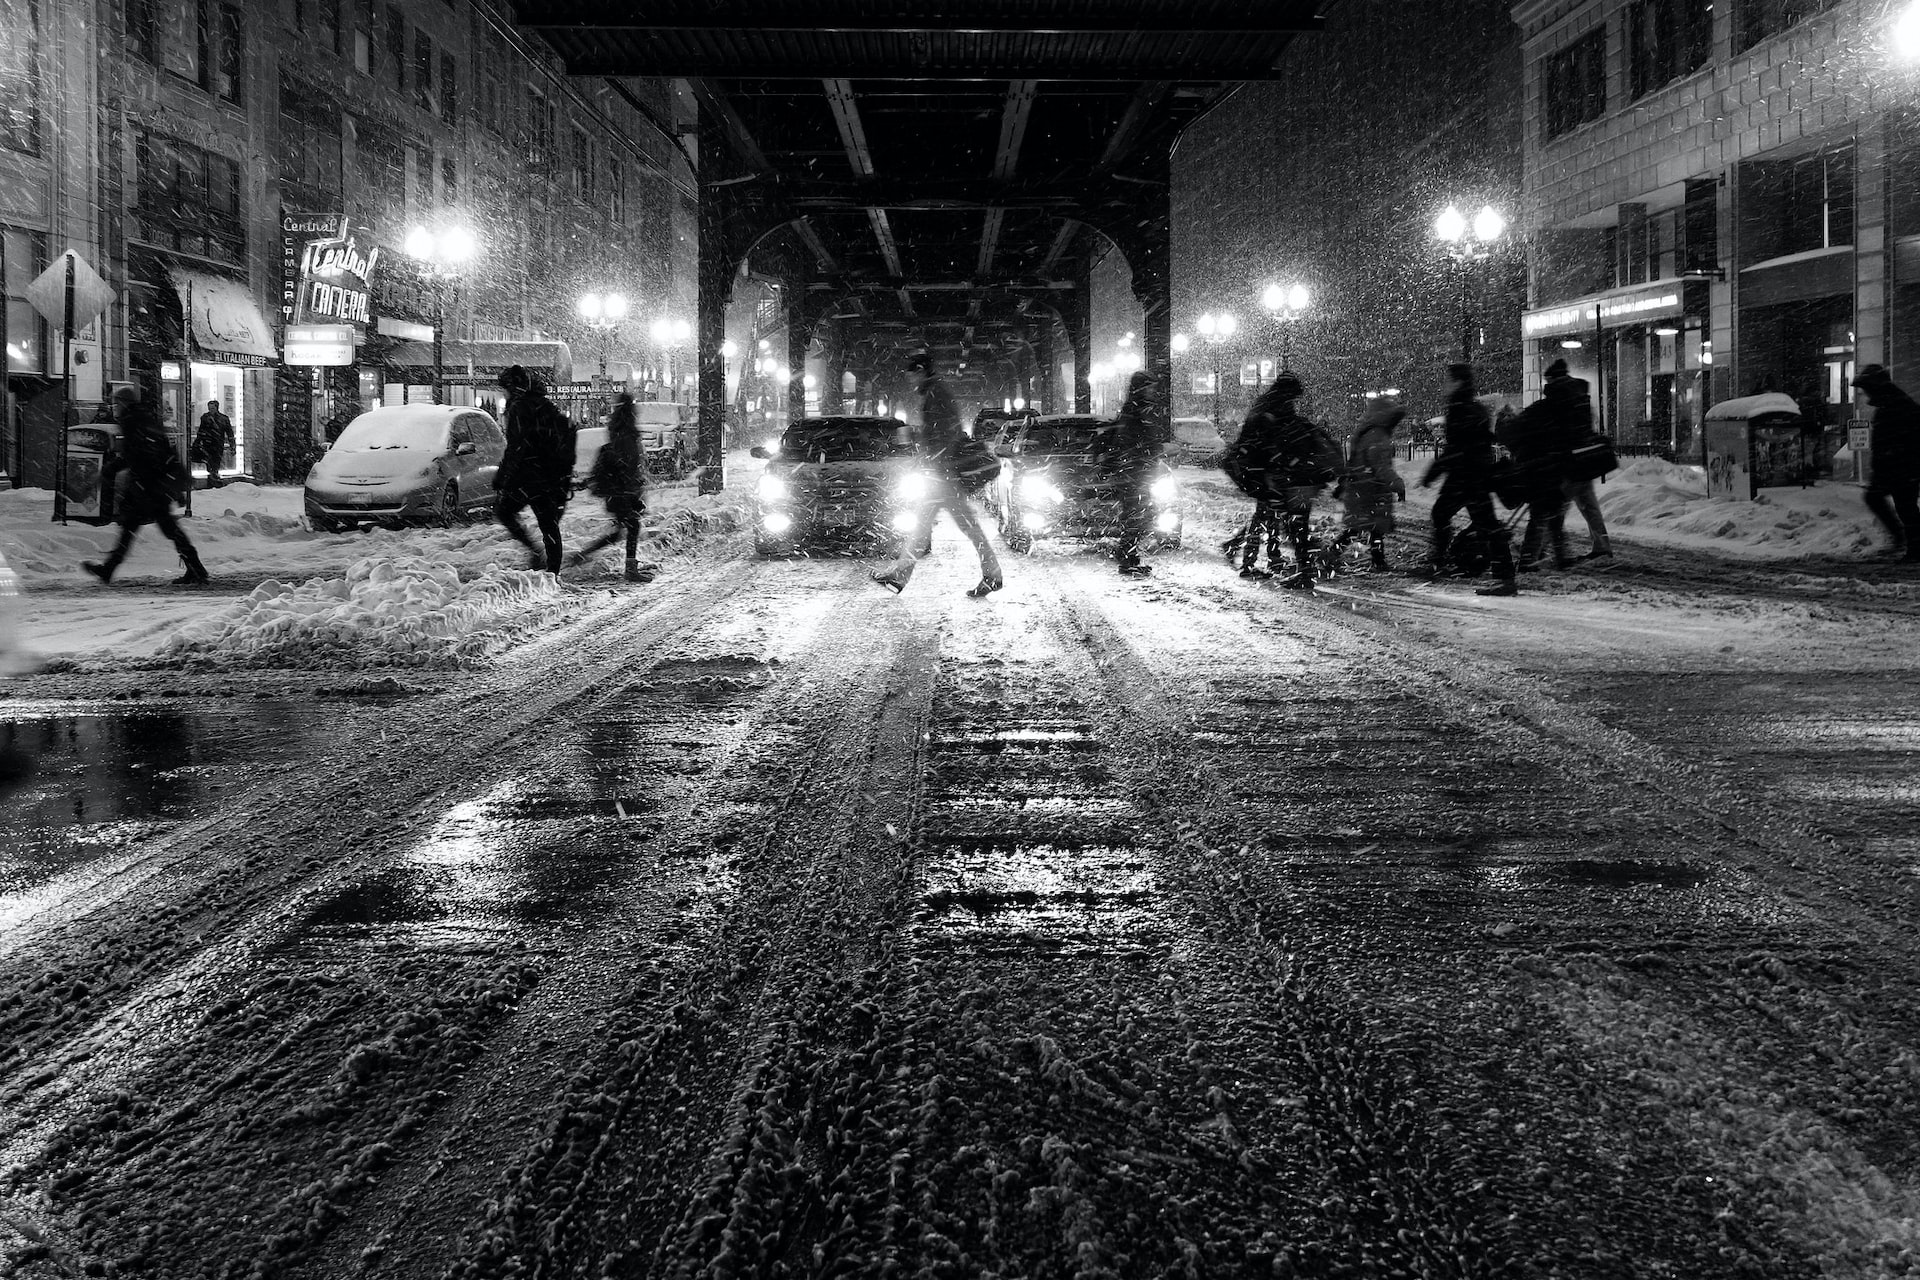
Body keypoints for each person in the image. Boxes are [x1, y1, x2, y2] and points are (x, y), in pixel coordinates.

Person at [872, 351, 1003, 597]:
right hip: (941, 473)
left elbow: (943, 435)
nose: (911, 381)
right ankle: (900, 575)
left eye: (913, 375)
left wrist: (933, 460)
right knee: (934, 525)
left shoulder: (935, 394)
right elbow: (942, 432)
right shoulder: (935, 393)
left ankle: (992, 574)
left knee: (956, 526)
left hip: (943, 474)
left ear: (922, 372)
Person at [83, 386, 208, 586]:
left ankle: (196, 569)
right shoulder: (143, 419)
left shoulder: (133, 422)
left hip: (148, 487)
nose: (115, 407)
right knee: (143, 528)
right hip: (151, 486)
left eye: (116, 403)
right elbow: (159, 451)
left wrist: (108, 471)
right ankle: (195, 568)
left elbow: (135, 455)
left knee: (150, 528)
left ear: (124, 403)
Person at [1422, 363, 1519, 596]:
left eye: (1448, 380)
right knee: (1484, 523)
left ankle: (1442, 562)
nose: (1445, 384)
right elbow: (1476, 441)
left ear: (1458, 382)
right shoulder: (1474, 408)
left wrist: (1434, 472)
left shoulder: (1460, 408)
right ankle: (1503, 576)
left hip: (1465, 477)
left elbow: (1456, 447)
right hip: (1474, 475)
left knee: (1476, 522)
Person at [494, 365, 575, 573]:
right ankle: (553, 572)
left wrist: (502, 476)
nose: (503, 393)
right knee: (549, 525)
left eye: (505, 388)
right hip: (549, 477)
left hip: (527, 477)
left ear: (513, 387)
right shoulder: (546, 406)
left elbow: (516, 446)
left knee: (505, 512)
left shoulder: (519, 408)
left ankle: (536, 553)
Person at [569, 392, 655, 582]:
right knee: (632, 526)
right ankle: (630, 569)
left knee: (622, 530)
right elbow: (627, 464)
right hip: (622, 490)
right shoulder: (628, 432)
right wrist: (632, 490)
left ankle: (585, 555)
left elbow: (621, 460)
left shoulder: (618, 427)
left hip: (617, 489)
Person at [1501, 361, 1577, 572]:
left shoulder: (1541, 409)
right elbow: (1571, 439)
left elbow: (1515, 431)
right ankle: (1548, 557)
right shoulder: (1570, 409)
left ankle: (1530, 558)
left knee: (1543, 513)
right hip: (1556, 468)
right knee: (1551, 513)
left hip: (1537, 468)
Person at [1096, 369, 1162, 577]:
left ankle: (1128, 558)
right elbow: (1132, 444)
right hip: (1134, 475)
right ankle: (1126, 558)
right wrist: (1154, 451)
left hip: (1133, 474)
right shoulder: (1135, 412)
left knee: (1138, 517)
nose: (1153, 391)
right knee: (1138, 517)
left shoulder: (1135, 410)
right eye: (1150, 387)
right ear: (1142, 388)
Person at [1851, 364, 1920, 561]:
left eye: (1866, 389)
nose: (1865, 394)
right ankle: (1910, 543)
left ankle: (1909, 543)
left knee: (1904, 507)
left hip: (1900, 466)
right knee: (1905, 507)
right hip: (1899, 466)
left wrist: (1891, 461)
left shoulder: (1895, 406)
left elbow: (1898, 439)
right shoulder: (1894, 403)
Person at [1549, 363, 1612, 560]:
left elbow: (1556, 431)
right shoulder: (1581, 396)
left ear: (1553, 378)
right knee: (1589, 505)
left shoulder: (1559, 396)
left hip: (1567, 461)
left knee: (1554, 508)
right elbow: (1587, 425)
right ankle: (1602, 545)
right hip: (1584, 459)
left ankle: (1546, 550)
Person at [1335, 399, 1407, 572]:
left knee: (1365, 527)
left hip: (1362, 488)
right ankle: (1375, 560)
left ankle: (1376, 558)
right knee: (1370, 527)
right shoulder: (1378, 436)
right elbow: (1381, 467)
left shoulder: (1367, 433)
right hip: (1372, 491)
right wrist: (1398, 484)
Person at [193, 399, 236, 488]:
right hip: (208, 445)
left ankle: (213, 480)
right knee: (210, 463)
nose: (210, 410)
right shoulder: (205, 418)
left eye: (212, 408)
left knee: (215, 463)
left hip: (217, 444)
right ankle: (213, 480)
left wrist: (232, 445)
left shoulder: (223, 419)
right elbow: (201, 431)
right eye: (209, 408)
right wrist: (197, 442)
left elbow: (229, 433)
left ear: (217, 408)